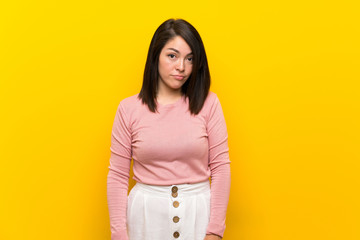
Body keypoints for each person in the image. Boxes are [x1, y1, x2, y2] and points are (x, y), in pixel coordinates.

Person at [107, 18, 231, 240]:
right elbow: (117, 175)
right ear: (155, 57)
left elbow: (221, 167)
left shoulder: (209, 104)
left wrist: (214, 231)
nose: (181, 67)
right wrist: (118, 235)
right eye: (172, 55)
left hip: (198, 213)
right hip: (145, 217)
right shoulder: (128, 109)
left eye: (190, 58)